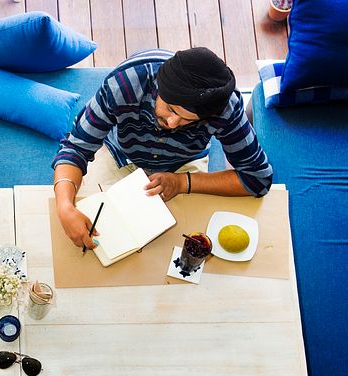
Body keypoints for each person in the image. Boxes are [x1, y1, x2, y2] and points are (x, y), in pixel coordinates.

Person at [52, 47, 274, 249]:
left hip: (183, 167)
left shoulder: (225, 108)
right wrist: (64, 207)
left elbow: (257, 179)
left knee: (180, 246)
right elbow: (76, 148)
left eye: (188, 120)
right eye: (170, 109)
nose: (172, 124)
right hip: (119, 155)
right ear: (158, 88)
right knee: (96, 234)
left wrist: (182, 182)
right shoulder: (123, 85)